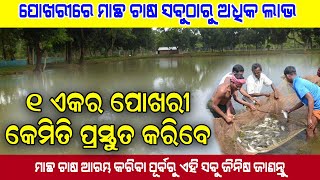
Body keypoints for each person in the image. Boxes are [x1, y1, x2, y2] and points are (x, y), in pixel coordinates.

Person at [284, 66, 320, 139]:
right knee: (314, 127)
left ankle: (310, 148)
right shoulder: (299, 80)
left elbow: (311, 100)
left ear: (288, 76)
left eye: (285, 77)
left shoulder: (297, 84)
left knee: (309, 130)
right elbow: (304, 101)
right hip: (317, 103)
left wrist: (309, 118)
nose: (286, 79)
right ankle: (316, 143)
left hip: (318, 106)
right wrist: (291, 110)